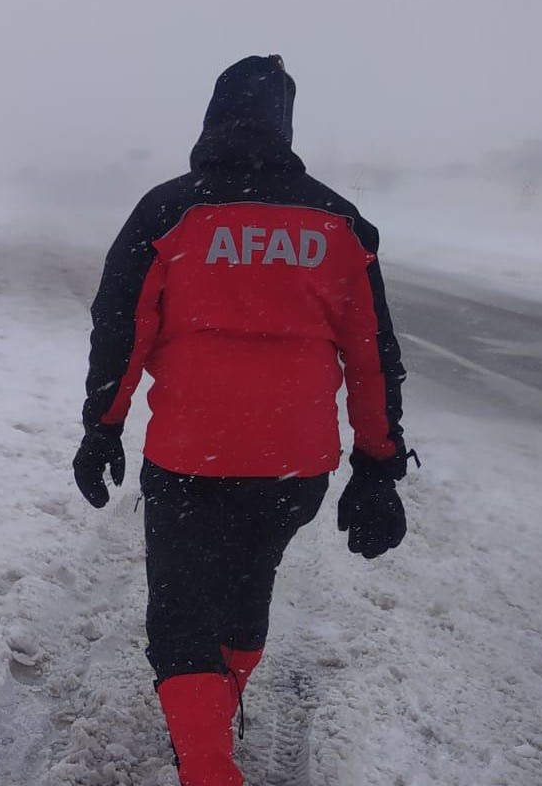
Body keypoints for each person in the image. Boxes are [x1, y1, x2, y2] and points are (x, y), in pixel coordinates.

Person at [72, 55, 416, 785]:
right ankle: (214, 721)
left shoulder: (169, 209)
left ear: (212, 118)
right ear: (285, 124)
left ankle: (206, 761)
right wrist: (378, 466)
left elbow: (120, 327)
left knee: (180, 624)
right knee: (244, 596)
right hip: (293, 465)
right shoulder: (339, 221)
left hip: (192, 457)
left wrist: (103, 423)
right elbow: (374, 354)